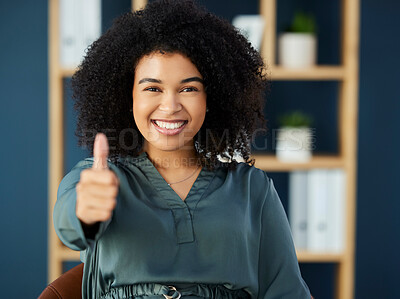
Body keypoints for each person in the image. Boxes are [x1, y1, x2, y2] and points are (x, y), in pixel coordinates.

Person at [54, 0, 311, 298]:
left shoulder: (253, 189)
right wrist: (86, 212)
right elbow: (69, 225)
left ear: (210, 98)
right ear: (128, 97)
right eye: (152, 88)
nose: (170, 106)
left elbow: (287, 290)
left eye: (189, 88)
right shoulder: (95, 177)